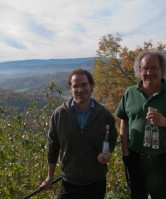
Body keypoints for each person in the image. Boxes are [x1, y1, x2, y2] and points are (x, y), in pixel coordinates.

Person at [115, 49, 166, 199]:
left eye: (153, 68)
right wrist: (125, 151)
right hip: (134, 157)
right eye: (145, 69)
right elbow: (124, 120)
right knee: (137, 196)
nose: (149, 73)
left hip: (162, 159)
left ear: (162, 69)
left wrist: (164, 121)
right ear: (139, 71)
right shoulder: (130, 93)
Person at [40, 68, 118, 199]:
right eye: (75, 86)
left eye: (84, 84)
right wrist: (49, 178)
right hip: (69, 182)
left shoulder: (104, 115)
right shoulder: (59, 115)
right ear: (70, 89)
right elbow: (53, 147)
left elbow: (112, 138)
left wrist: (108, 152)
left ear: (92, 87)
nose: (80, 90)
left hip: (96, 181)